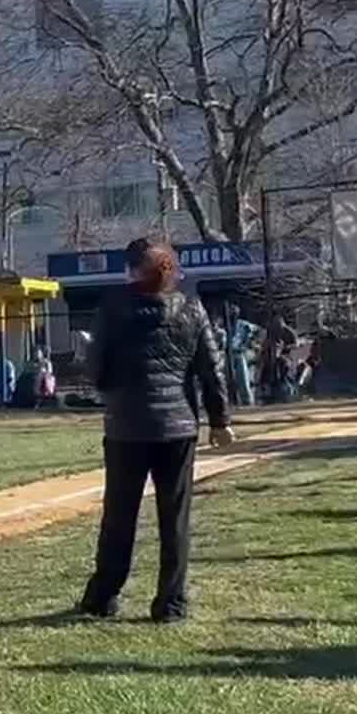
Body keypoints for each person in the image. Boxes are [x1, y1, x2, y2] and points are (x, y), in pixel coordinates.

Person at [79, 240, 233, 623]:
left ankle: (103, 595)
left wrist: (112, 391)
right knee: (175, 517)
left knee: (119, 515)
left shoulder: (113, 307)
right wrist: (220, 420)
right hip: (177, 427)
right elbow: (211, 369)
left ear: (131, 270)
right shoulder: (192, 308)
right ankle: (171, 603)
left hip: (126, 427)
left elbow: (95, 368)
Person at [223, 305, 259, 407]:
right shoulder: (224, 325)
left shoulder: (243, 324)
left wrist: (248, 342)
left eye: (234, 313)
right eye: (231, 313)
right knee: (226, 379)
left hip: (238, 353)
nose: (233, 316)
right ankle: (229, 402)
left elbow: (257, 330)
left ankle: (247, 401)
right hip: (226, 355)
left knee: (243, 378)